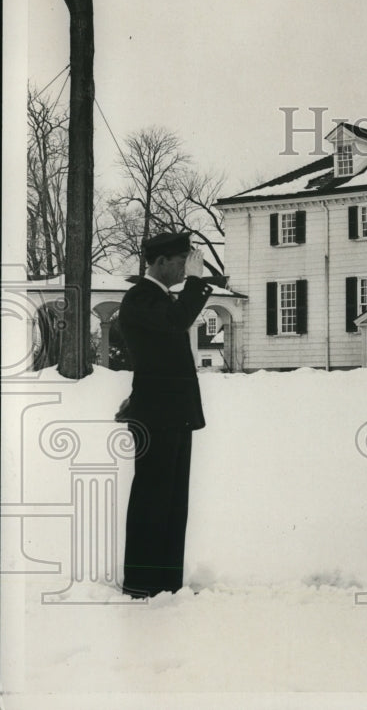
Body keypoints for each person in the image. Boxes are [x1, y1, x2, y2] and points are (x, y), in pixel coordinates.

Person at [116, 232, 212, 598]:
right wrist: (198, 283)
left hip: (171, 411)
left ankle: (165, 582)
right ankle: (141, 582)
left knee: (172, 500)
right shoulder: (141, 297)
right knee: (153, 498)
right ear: (160, 262)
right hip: (158, 414)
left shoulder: (158, 299)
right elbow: (176, 322)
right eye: (181, 261)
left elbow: (160, 351)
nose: (185, 269)